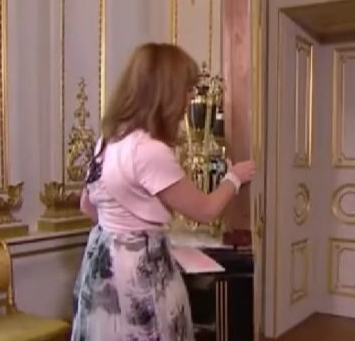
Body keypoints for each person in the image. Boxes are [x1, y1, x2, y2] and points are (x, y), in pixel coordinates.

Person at [71, 43, 256, 341]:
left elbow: (87, 207)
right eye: (186, 89)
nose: (188, 100)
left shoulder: (107, 142)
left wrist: (120, 228)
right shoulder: (149, 151)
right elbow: (206, 211)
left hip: (101, 263)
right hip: (140, 270)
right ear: (165, 93)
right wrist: (234, 178)